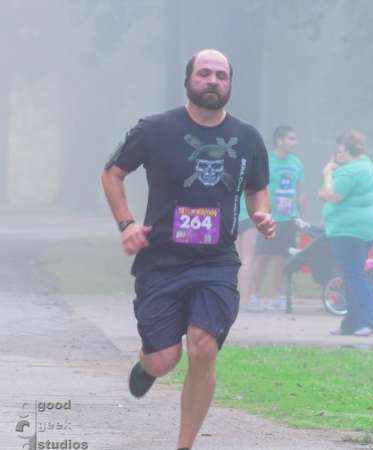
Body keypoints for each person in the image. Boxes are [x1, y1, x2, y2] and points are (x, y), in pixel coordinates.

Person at [101, 49, 275, 450]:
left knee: (203, 346)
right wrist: (126, 224)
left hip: (216, 261)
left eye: (221, 76)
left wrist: (261, 215)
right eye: (204, 74)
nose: (212, 81)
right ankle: (147, 362)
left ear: (229, 84)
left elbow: (257, 188)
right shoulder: (155, 129)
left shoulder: (247, 138)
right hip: (160, 260)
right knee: (165, 360)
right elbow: (112, 173)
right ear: (188, 80)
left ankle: (184, 445)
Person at [320, 130, 373, 336]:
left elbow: (332, 195)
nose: (337, 153)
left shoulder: (351, 171)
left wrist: (328, 173)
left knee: (354, 275)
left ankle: (370, 321)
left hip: (350, 229)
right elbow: (324, 193)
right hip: (359, 227)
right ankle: (351, 323)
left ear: (346, 150)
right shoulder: (365, 166)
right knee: (350, 275)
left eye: (340, 149)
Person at [252, 126, 305, 311]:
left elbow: (300, 193)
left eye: (295, 139)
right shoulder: (266, 160)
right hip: (270, 217)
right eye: (291, 139)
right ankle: (253, 296)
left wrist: (300, 218)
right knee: (263, 257)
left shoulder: (297, 163)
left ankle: (277, 297)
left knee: (282, 258)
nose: (294, 142)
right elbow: (258, 188)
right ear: (279, 141)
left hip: (289, 218)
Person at [235, 197, 261, 310]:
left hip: (232, 216)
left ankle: (237, 297)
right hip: (248, 216)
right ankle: (245, 298)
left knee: (236, 259)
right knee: (247, 259)